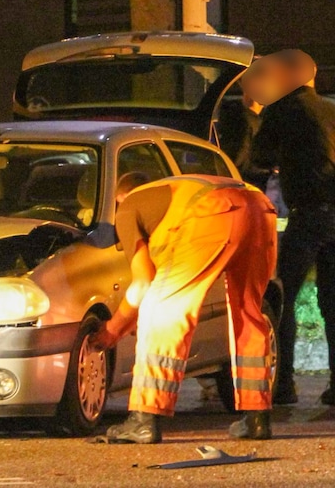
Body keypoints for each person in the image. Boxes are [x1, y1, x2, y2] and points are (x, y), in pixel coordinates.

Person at [93, 172, 277, 444]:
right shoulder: (174, 189)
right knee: (248, 313)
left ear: (120, 198)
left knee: (162, 312)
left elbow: (143, 283)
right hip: (260, 209)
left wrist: (112, 330)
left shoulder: (129, 204)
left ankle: (144, 419)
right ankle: (257, 418)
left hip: (212, 212)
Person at [247, 49, 335, 406]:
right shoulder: (331, 108)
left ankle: (283, 383)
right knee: (332, 302)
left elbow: (258, 162)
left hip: (309, 214)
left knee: (281, 295)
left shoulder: (281, 111)